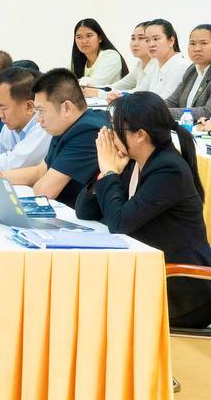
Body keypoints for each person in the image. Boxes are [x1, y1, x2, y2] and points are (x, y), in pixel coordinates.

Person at [74, 92, 211, 328]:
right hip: (150, 274)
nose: (110, 136)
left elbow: (119, 223)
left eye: (116, 129)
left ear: (140, 135)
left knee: (90, 304)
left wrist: (110, 172)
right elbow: (84, 211)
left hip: (182, 286)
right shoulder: (135, 161)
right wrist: (105, 172)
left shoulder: (168, 169)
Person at [0, 68, 109, 204]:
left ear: (66, 108)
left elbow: (45, 191)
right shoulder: (67, 125)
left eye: (41, 111)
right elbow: (41, 170)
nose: (38, 119)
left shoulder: (88, 132)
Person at [86, 22, 153, 97]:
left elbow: (138, 94)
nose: (134, 43)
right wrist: (95, 88)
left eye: (141, 38)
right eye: (133, 38)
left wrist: (98, 93)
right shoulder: (140, 65)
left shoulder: (155, 65)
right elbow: (119, 86)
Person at [165, 24, 211, 120]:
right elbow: (172, 101)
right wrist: (153, 108)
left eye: (204, 43)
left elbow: (207, 112)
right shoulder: (192, 70)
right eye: (192, 43)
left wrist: (161, 112)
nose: (197, 48)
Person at [139, 18, 192, 101]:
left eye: (156, 39)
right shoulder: (155, 63)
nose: (151, 44)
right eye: (147, 40)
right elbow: (140, 91)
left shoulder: (180, 66)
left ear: (171, 41)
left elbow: (165, 100)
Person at [71, 18, 127, 87]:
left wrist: (74, 83)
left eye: (89, 36)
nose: (84, 41)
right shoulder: (74, 63)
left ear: (100, 38)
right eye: (79, 37)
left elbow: (95, 84)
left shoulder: (111, 56)